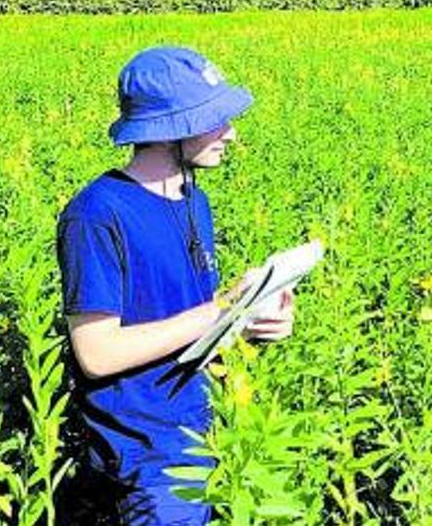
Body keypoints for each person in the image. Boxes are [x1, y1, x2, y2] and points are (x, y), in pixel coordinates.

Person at [56, 46, 294, 524]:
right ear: (169, 130)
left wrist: (248, 318)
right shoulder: (96, 215)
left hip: (203, 432)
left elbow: (181, 320)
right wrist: (216, 311)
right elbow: (97, 353)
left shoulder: (192, 200)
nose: (231, 133)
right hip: (145, 457)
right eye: (214, 120)